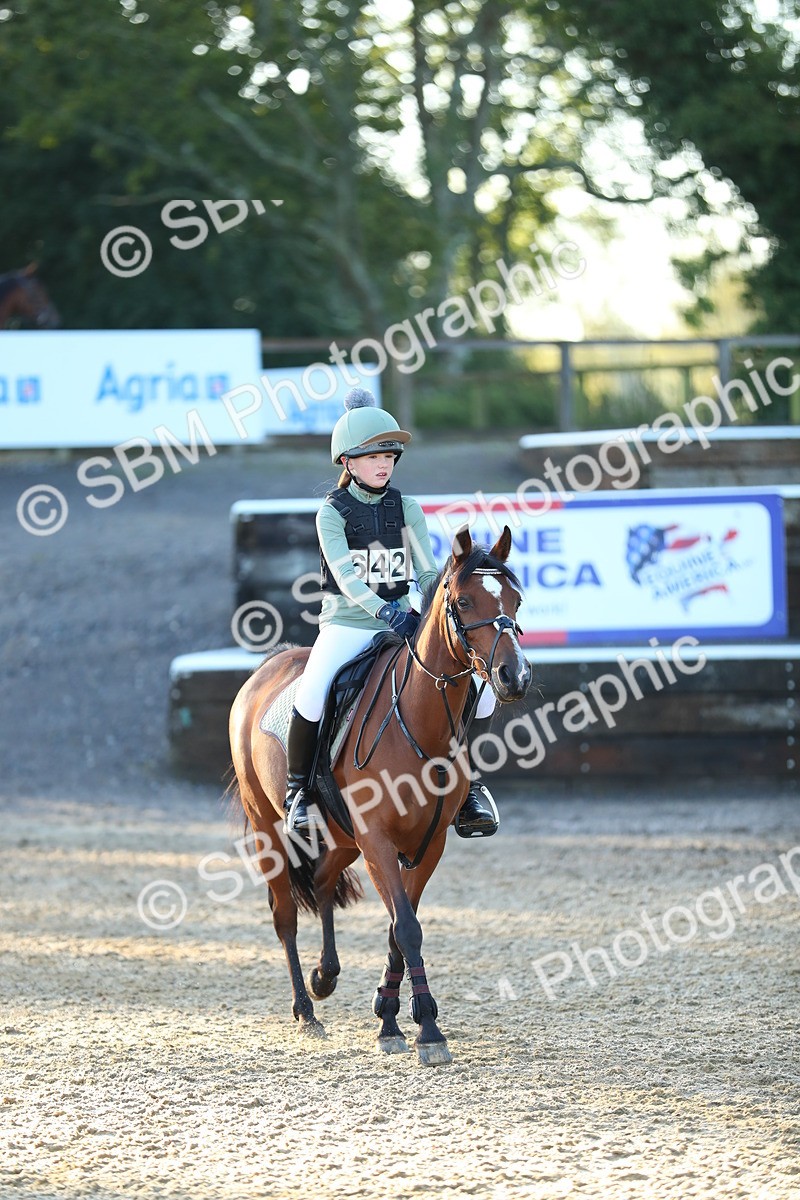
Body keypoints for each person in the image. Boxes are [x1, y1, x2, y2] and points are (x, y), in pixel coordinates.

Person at [283, 387, 499, 838]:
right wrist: (386, 612)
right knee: (312, 691)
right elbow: (346, 577)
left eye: (389, 456)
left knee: (481, 690)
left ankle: (471, 787)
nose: (383, 464)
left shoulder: (407, 508)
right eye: (372, 456)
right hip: (348, 622)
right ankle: (298, 791)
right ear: (348, 462)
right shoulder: (332, 513)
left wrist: (427, 606)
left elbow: (426, 571)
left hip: (404, 621)